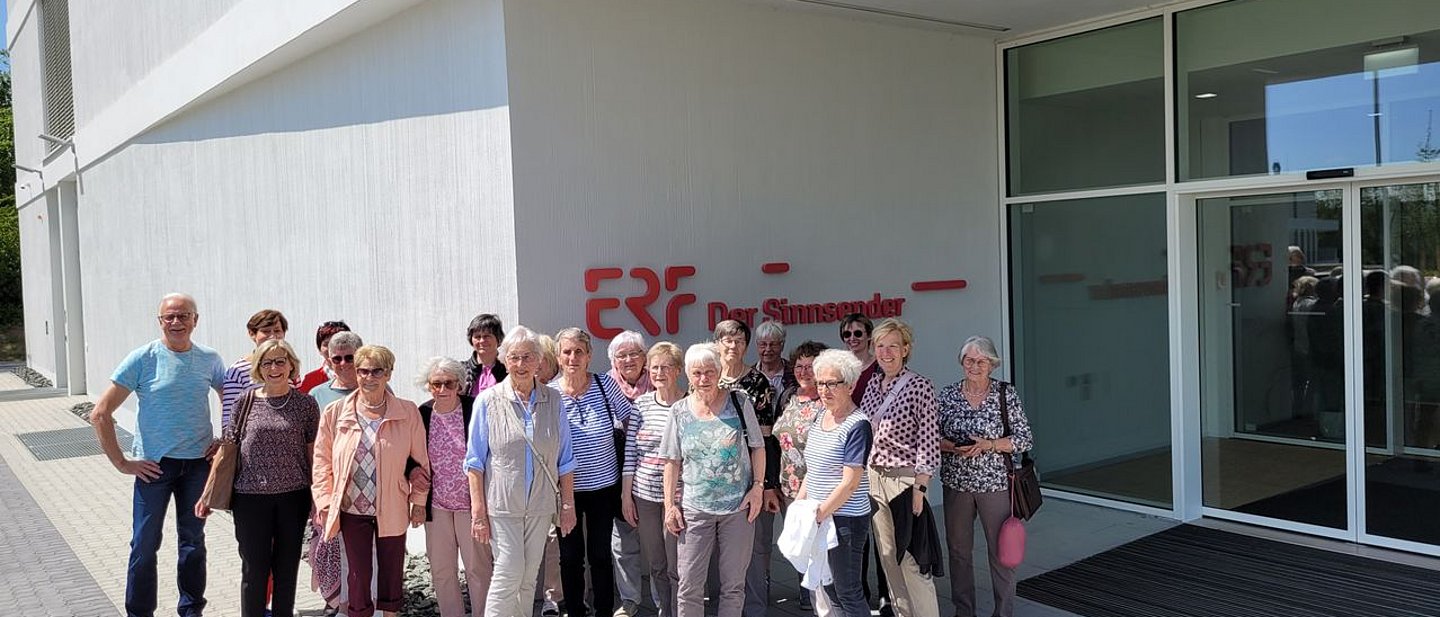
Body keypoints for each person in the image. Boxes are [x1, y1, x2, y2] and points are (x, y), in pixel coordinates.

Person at [89, 293, 227, 617]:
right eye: (170, 317)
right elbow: (100, 413)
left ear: (195, 320)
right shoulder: (142, 358)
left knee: (193, 542)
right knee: (144, 544)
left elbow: (231, 400)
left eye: (183, 316)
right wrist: (122, 463)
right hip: (154, 468)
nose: (176, 322)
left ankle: (191, 610)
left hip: (198, 466)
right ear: (160, 321)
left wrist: (224, 440)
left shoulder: (209, 359)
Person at [197, 339, 319, 617]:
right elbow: (227, 448)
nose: (274, 368)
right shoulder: (245, 401)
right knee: (254, 569)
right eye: (267, 362)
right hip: (250, 499)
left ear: (291, 365)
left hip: (293, 498)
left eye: (280, 361)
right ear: (259, 368)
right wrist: (207, 494)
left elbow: (313, 454)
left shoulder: (306, 404)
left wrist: (318, 497)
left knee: (287, 569)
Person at [464, 325, 578, 617]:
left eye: (528, 357)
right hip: (502, 506)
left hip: (540, 505)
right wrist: (478, 513)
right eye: (514, 357)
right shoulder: (487, 401)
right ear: (504, 361)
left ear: (539, 360)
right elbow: (474, 462)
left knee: (528, 578)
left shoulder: (554, 400)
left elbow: (565, 458)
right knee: (509, 571)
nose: (521, 364)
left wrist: (567, 505)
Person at [312, 345, 430, 617]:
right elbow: (321, 462)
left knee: (391, 573)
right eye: (363, 371)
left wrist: (419, 502)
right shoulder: (335, 412)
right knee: (358, 575)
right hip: (352, 508)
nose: (369, 377)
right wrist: (324, 501)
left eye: (377, 371)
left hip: (393, 505)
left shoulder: (407, 412)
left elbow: (421, 463)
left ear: (388, 373)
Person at [661, 343, 766, 617]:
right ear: (688, 375)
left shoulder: (739, 403)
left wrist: (757, 488)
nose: (703, 378)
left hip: (738, 508)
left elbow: (758, 447)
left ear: (719, 372)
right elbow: (671, 461)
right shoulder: (679, 411)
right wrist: (670, 506)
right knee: (689, 585)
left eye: (709, 372)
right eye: (697, 373)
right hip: (695, 510)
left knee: (733, 585)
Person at [938, 336, 1033, 617]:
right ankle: (964, 611)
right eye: (969, 360)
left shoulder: (1005, 394)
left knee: (1002, 551)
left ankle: (1003, 612)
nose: (975, 366)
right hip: (957, 483)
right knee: (958, 551)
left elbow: (1024, 438)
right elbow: (931, 436)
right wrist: (952, 447)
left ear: (992, 365)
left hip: (995, 484)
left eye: (981, 361)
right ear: (962, 362)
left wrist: (989, 444)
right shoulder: (948, 394)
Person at [551, 327, 634, 617]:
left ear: (589, 356)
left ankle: (603, 611)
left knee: (600, 554)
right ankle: (575, 610)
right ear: (558, 357)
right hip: (566, 491)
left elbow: (630, 420)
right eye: (567, 352)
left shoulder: (604, 384)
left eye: (579, 352)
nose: (572, 357)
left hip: (604, 488)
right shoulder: (550, 394)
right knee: (570, 557)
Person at [860, 318, 939, 617]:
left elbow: (929, 441)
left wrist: (920, 487)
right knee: (888, 557)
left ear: (905, 349)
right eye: (880, 346)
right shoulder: (872, 384)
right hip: (873, 478)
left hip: (904, 482)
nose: (886, 352)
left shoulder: (920, 386)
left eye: (893, 346)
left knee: (911, 560)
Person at [711, 320, 780, 617]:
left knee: (754, 546)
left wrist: (765, 485)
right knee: (717, 547)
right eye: (727, 340)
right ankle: (721, 606)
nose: (732, 346)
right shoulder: (706, 376)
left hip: (750, 478)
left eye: (739, 341)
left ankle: (754, 608)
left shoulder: (757, 382)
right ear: (717, 344)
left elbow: (765, 439)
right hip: (714, 481)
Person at [414, 357, 492, 617]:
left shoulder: (474, 408)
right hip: (437, 506)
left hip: (471, 505)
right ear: (428, 386)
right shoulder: (422, 414)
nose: (442, 389)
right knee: (442, 569)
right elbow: (409, 453)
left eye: (449, 383)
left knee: (478, 569)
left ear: (459, 384)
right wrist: (412, 471)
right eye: (436, 384)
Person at [798, 349, 873, 617]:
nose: (824, 390)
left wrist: (818, 515)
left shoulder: (858, 425)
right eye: (820, 383)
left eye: (832, 383)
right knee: (829, 587)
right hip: (820, 517)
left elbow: (849, 484)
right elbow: (813, 468)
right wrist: (800, 506)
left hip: (845, 520)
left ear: (850, 385)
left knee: (847, 591)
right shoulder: (821, 416)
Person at [621, 342, 685, 617]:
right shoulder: (641, 405)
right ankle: (665, 610)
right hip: (644, 494)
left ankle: (681, 610)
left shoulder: (689, 404)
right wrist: (626, 496)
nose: (659, 373)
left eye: (665, 367)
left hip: (680, 497)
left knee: (677, 564)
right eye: (654, 367)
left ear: (678, 370)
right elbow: (630, 453)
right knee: (657, 563)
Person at [837, 313, 890, 615]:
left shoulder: (879, 368)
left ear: (869, 336)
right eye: (847, 334)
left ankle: (886, 594)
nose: (853, 339)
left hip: (878, 456)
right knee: (858, 530)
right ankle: (860, 592)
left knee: (881, 529)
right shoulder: (841, 369)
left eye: (858, 333)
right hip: (850, 456)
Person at [770, 340, 828, 612]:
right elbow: (774, 441)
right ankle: (807, 595)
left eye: (810, 366)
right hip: (789, 488)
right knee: (800, 543)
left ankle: (825, 600)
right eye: (799, 366)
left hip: (818, 488)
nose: (804, 372)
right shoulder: (789, 397)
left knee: (820, 546)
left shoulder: (827, 401)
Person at [608, 330, 654, 617]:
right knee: (623, 538)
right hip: (615, 473)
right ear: (613, 360)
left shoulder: (660, 380)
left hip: (654, 472)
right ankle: (630, 599)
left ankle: (666, 599)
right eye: (621, 355)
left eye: (634, 353)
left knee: (660, 540)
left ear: (644, 357)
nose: (628, 359)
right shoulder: (604, 387)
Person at [532, 331, 564, 616]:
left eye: (539, 359)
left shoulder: (557, 392)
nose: (534, 365)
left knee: (554, 537)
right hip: (529, 479)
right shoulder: (522, 392)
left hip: (557, 476)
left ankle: (552, 596)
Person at [220, 309, 289, 427]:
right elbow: (229, 419)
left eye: (277, 331)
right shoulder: (238, 371)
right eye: (266, 331)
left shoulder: (289, 366)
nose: (273, 336)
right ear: (252, 334)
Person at [462, 314, 508, 396]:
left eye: (487, 336)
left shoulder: (507, 369)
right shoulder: (461, 370)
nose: (482, 341)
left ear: (498, 338)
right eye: (477, 337)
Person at [299, 321, 351, 394]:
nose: (332, 348)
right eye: (327, 344)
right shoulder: (311, 380)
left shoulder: (363, 375)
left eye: (338, 342)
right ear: (319, 349)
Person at [753, 321, 798, 395]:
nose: (768, 349)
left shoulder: (795, 373)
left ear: (782, 345)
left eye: (773, 344)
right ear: (757, 345)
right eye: (763, 344)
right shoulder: (749, 376)